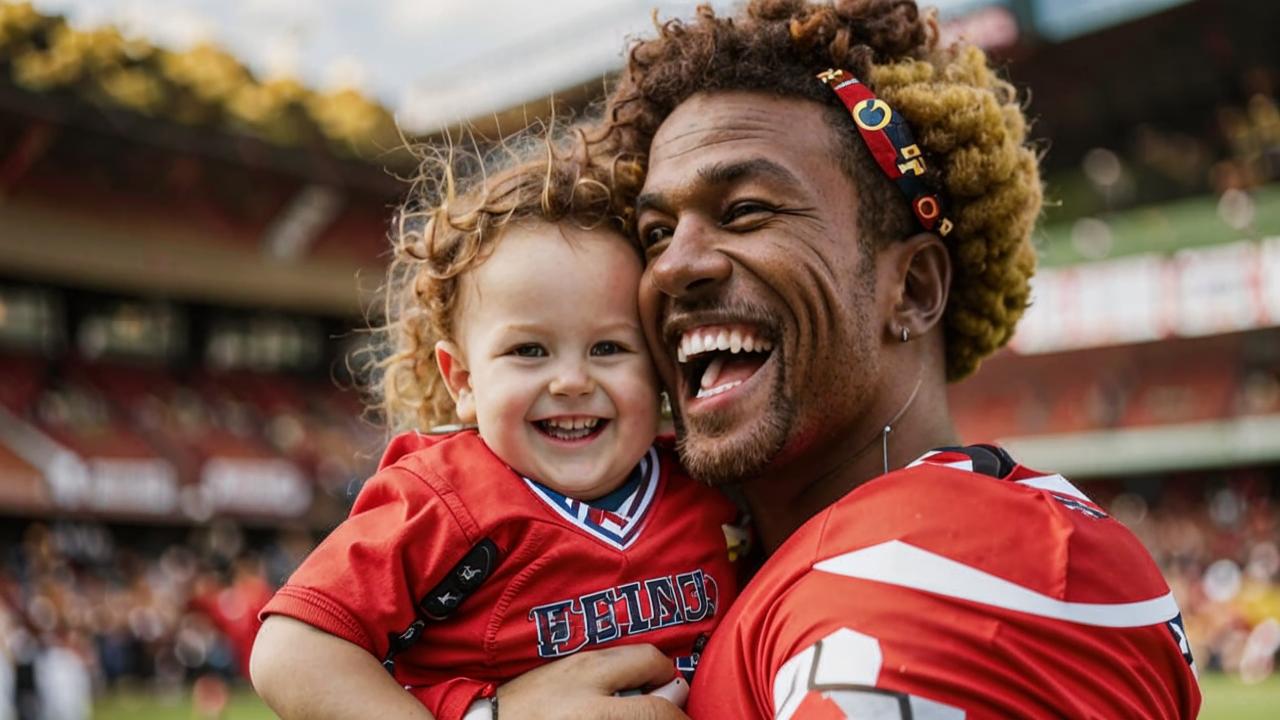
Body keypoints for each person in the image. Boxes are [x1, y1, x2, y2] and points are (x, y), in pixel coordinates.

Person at [490, 0, 1202, 717]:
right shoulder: (709, 565)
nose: (673, 266)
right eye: (654, 232)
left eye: (745, 212)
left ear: (913, 288)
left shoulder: (946, 567)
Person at [248, 142, 741, 719]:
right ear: (462, 380)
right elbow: (290, 651)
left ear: (658, 361)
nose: (572, 381)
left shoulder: (709, 476)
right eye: (528, 350)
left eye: (609, 347)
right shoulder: (441, 498)